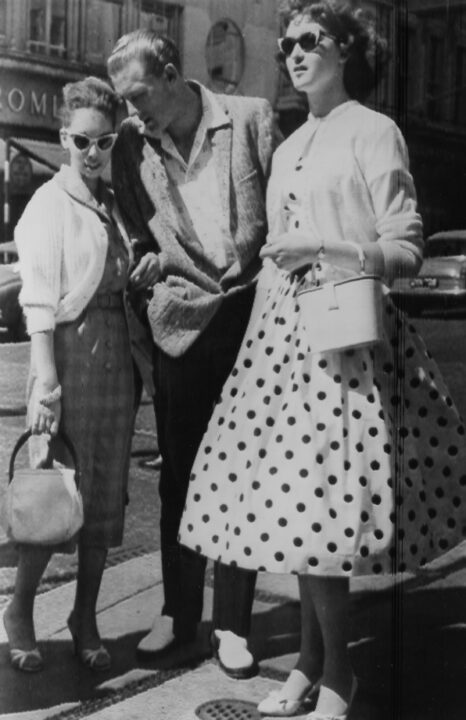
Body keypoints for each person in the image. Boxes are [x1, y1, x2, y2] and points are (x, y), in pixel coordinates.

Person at [179, 2, 466, 718]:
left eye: (311, 41)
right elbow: (276, 256)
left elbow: (406, 248)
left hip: (348, 345)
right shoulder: (290, 142)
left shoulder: (375, 131)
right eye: (287, 44)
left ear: (347, 51)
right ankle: (310, 663)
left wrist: (330, 252)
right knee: (298, 515)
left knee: (328, 514)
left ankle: (341, 671)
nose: (294, 53)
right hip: (281, 347)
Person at [106, 30, 276, 676]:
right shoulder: (130, 144)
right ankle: (179, 612)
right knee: (179, 474)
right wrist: (142, 263)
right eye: (124, 99)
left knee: (244, 476)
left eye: (140, 94)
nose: (134, 110)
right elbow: (132, 224)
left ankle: (232, 625)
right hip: (180, 323)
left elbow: (280, 216)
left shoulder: (253, 119)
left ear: (173, 74)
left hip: (249, 316)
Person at [3, 77, 136, 673]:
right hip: (68, 356)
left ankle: (85, 616)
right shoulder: (47, 204)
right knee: (52, 496)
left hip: (115, 364)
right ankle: (21, 612)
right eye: (82, 141)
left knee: (103, 500)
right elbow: (38, 303)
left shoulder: (110, 202)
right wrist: (45, 383)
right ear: (63, 138)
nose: (93, 152)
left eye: (104, 142)